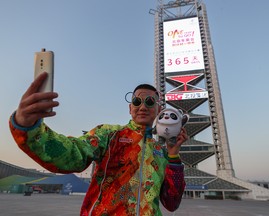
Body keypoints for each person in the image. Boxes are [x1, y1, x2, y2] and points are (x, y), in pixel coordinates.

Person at [9, 72, 188, 216]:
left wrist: (173, 155)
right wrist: (28, 127)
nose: (142, 106)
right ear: (130, 107)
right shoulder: (109, 134)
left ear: (158, 109)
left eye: (149, 102)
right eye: (136, 101)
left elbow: (172, 203)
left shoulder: (160, 151)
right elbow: (72, 155)